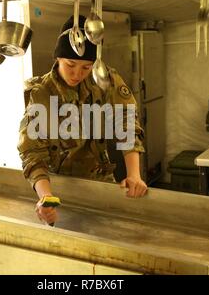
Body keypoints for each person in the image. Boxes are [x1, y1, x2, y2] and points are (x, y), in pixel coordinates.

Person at [17, 15, 147, 225]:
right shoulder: (42, 93)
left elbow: (127, 122)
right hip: (55, 184)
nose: (77, 73)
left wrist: (134, 174)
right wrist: (45, 198)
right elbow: (32, 151)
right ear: (58, 58)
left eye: (86, 67)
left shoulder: (103, 79)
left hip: (99, 180)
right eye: (70, 65)